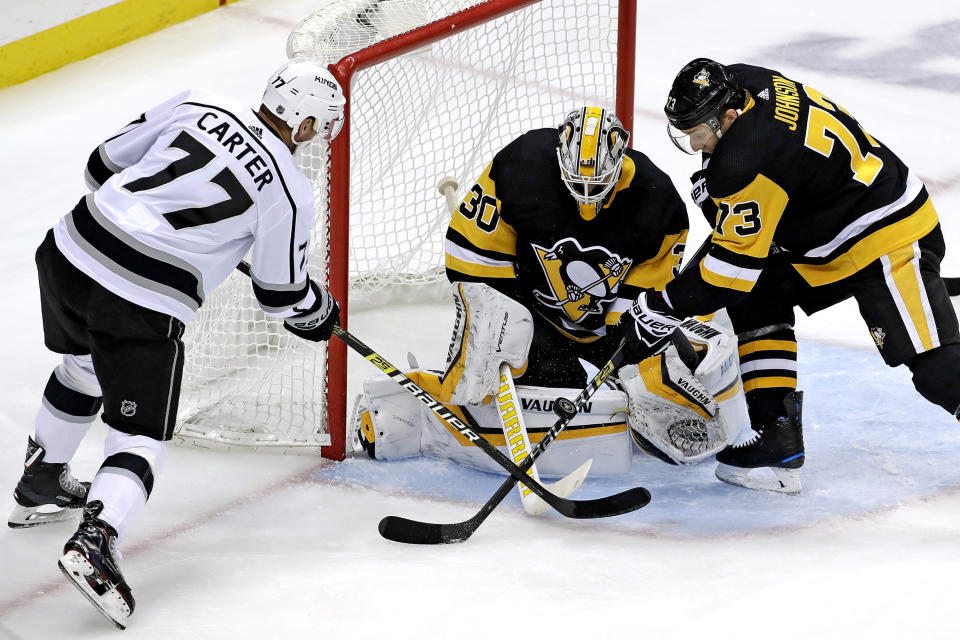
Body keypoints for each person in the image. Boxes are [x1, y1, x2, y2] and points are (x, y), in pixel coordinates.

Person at [7, 58, 346, 629]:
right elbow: (280, 294)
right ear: (309, 126)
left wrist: (155, 220)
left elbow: (99, 167)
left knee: (83, 363)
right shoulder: (290, 191)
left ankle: (42, 479)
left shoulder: (200, 101)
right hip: (138, 299)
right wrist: (319, 311)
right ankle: (97, 542)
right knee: (139, 435)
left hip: (67, 250)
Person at [617, 57, 960, 494]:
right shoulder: (744, 81)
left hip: (887, 233)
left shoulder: (744, 161)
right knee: (756, 296)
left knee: (934, 366)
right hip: (828, 227)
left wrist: (660, 307)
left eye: (699, 135)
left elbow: (727, 274)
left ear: (728, 117)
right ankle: (774, 442)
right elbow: (777, 180)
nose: (696, 145)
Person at [353, 106, 749, 478]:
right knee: (551, 396)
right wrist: (501, 315)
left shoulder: (658, 201)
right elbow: (467, 250)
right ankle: (416, 404)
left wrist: (629, 339)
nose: (586, 196)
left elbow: (651, 285)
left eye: (598, 184)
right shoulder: (521, 166)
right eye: (576, 182)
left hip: (604, 322)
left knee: (666, 365)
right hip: (532, 319)